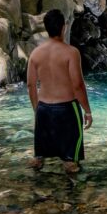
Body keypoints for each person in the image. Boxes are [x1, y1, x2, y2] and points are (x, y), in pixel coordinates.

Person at [26, 9, 92, 174]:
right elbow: (77, 85)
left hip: (43, 109)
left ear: (46, 28)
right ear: (63, 27)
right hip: (67, 110)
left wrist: (37, 109)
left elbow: (30, 85)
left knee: (38, 160)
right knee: (71, 164)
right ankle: (72, 196)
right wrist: (87, 111)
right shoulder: (71, 52)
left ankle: (35, 192)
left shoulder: (35, 54)